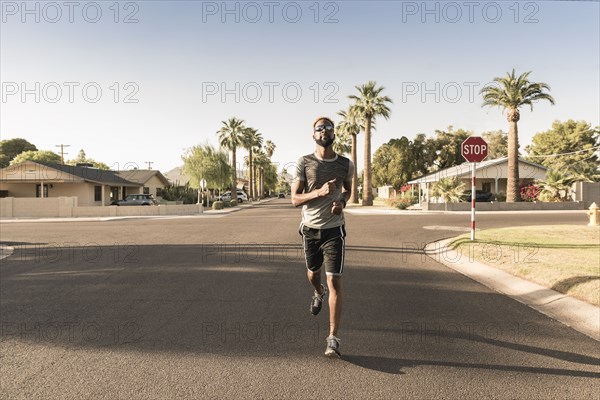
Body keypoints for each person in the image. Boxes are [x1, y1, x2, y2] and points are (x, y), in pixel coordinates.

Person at [291, 116, 354, 358]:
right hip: (310, 228)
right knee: (312, 274)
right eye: (320, 128)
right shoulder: (304, 162)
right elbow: (295, 199)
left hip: (334, 229)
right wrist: (319, 192)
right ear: (313, 135)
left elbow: (348, 190)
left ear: (334, 133)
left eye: (328, 127)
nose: (324, 131)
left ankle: (333, 338)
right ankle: (317, 293)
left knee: (335, 281)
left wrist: (342, 202)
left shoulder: (346, 164)